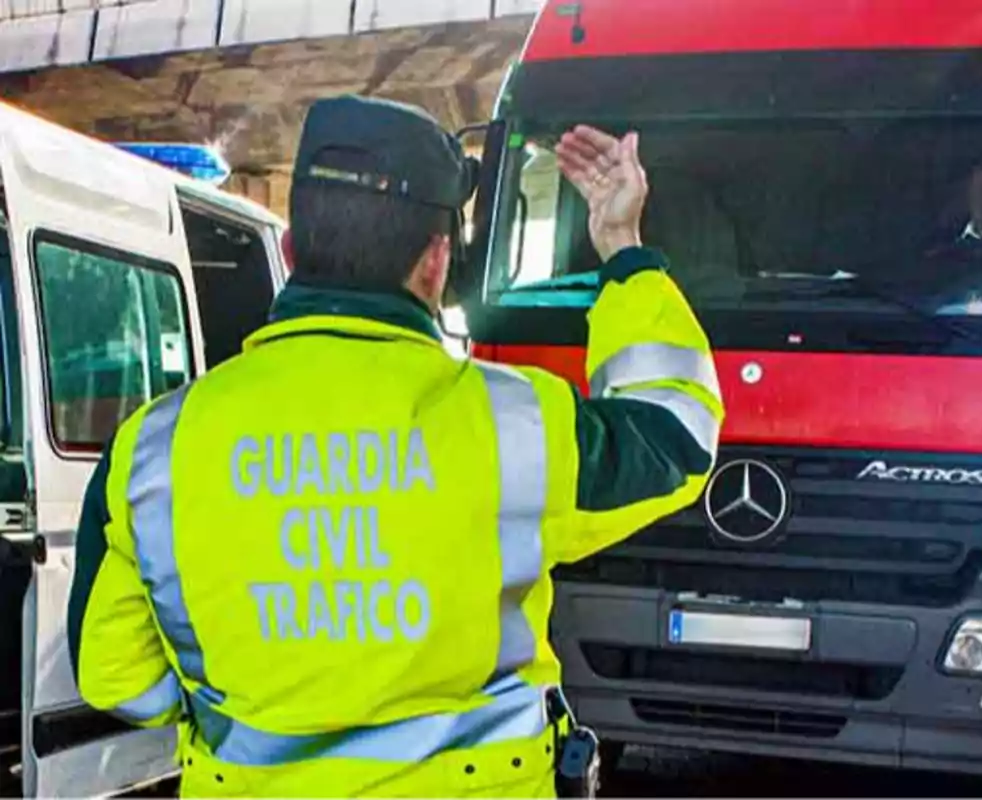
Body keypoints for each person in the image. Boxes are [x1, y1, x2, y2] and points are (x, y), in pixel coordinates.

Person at [65, 95, 723, 798]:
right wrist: (625, 252)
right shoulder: (516, 423)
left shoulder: (153, 451)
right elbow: (675, 432)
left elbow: (117, 678)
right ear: (436, 263)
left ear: (290, 252)